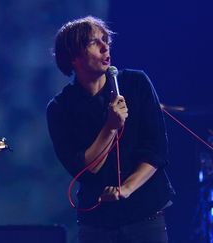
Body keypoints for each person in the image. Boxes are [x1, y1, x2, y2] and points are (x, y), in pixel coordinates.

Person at [47, 16, 175, 243]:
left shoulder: (136, 83)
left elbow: (156, 150)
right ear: (74, 57)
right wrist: (110, 127)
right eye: (94, 42)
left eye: (106, 40)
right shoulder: (60, 109)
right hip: (97, 225)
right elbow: (86, 169)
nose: (105, 46)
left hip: (146, 217)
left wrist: (126, 188)